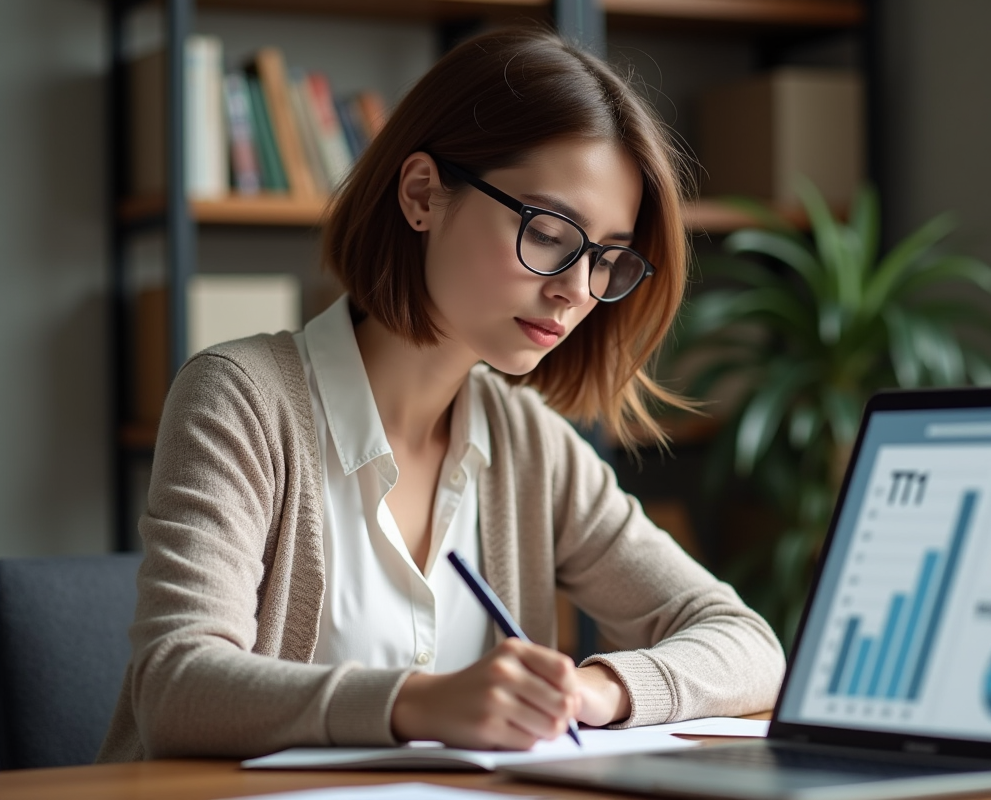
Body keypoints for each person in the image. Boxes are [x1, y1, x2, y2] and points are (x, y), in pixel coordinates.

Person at [98, 26, 784, 761]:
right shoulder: (240, 399)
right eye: (550, 232)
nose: (574, 290)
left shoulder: (529, 444)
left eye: (606, 258)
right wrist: (422, 703)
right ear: (423, 194)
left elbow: (749, 646)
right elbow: (176, 687)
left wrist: (595, 691)